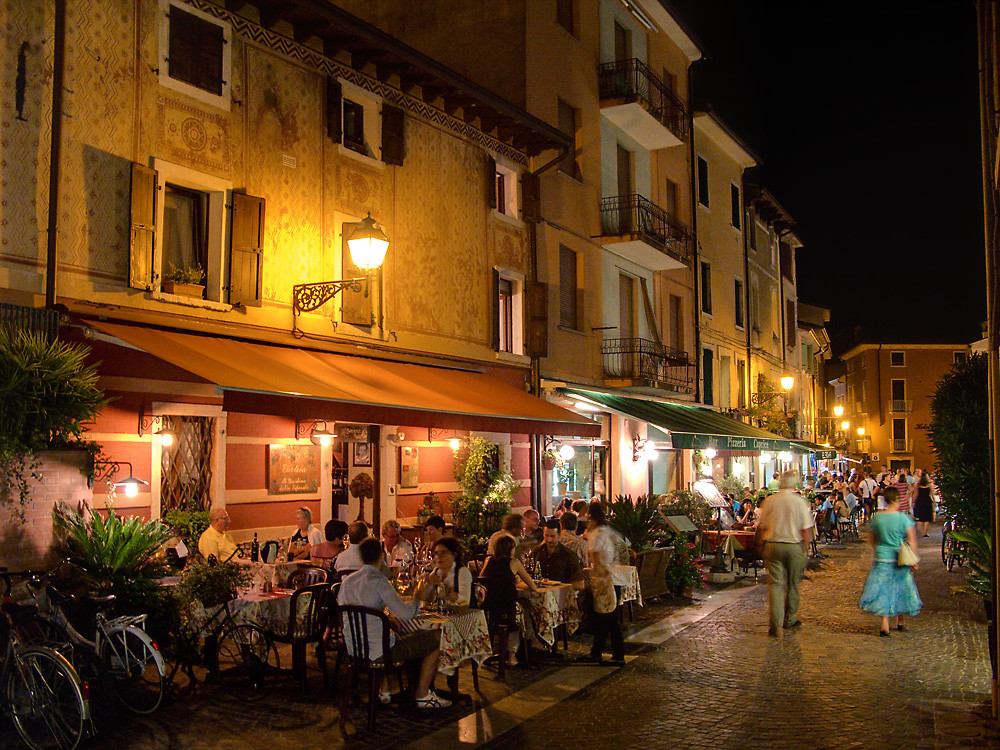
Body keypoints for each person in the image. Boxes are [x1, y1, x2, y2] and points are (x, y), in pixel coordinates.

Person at [338, 538, 451, 708]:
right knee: (437, 637)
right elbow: (407, 615)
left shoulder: (347, 582)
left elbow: (355, 612)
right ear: (381, 556)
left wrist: (387, 619)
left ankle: (385, 690)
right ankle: (422, 694)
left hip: (354, 648)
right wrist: (417, 597)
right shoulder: (379, 581)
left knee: (389, 631)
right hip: (380, 652)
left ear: (361, 558)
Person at [858, 486, 922, 636]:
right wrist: (913, 558)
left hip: (881, 556)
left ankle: (884, 623)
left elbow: (872, 540)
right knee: (902, 587)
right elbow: (912, 541)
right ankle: (900, 621)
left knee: (883, 589)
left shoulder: (878, 518)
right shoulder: (903, 518)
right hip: (899, 557)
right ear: (895, 499)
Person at [757, 471, 813, 637]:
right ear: (794, 484)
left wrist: (761, 545)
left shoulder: (770, 501)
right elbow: (806, 528)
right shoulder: (799, 501)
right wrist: (806, 548)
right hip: (793, 545)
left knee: (775, 585)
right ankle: (789, 619)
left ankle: (774, 623)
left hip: (773, 545)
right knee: (793, 584)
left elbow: (763, 526)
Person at [480, 534, 538, 666]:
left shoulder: (489, 560)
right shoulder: (514, 562)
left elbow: (483, 579)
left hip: (489, 607)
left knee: (519, 607)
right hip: (506, 607)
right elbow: (532, 586)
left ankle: (530, 640)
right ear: (511, 549)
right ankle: (515, 653)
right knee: (524, 609)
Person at [585, 500, 624, 665]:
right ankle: (597, 651)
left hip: (605, 580)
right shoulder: (608, 531)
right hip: (615, 576)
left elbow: (595, 558)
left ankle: (618, 654)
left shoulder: (596, 535)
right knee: (606, 618)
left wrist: (597, 575)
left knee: (608, 618)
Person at [415, 536, 472, 606]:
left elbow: (465, 600)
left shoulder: (462, 572)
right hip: (443, 614)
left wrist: (441, 585)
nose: (439, 556)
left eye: (444, 552)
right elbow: (422, 597)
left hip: (462, 615)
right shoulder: (437, 571)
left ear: (454, 555)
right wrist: (425, 582)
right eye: (436, 553)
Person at [534, 519, 585, 590]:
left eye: (552, 536)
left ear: (559, 535)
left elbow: (580, 584)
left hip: (560, 596)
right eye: (546, 536)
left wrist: (559, 587)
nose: (549, 539)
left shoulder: (569, 555)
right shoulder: (537, 552)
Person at [911, 472, 935, 537]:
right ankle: (925, 532)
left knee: (920, 517)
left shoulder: (918, 485)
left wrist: (913, 502)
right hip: (927, 501)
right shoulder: (929, 485)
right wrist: (934, 502)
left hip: (920, 501)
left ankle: (920, 531)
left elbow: (915, 494)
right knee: (927, 518)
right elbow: (932, 494)